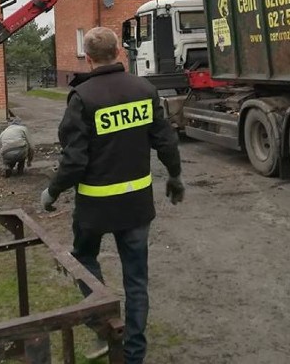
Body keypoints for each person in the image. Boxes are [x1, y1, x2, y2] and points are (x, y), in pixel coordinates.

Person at [40, 26, 184, 364]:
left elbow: (74, 160)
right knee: (136, 281)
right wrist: (175, 176)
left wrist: (52, 191)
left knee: (83, 261)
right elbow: (165, 140)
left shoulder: (83, 97)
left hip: (95, 209)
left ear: (87, 58)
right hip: (136, 206)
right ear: (119, 52)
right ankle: (133, 355)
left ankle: (104, 326)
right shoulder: (144, 90)